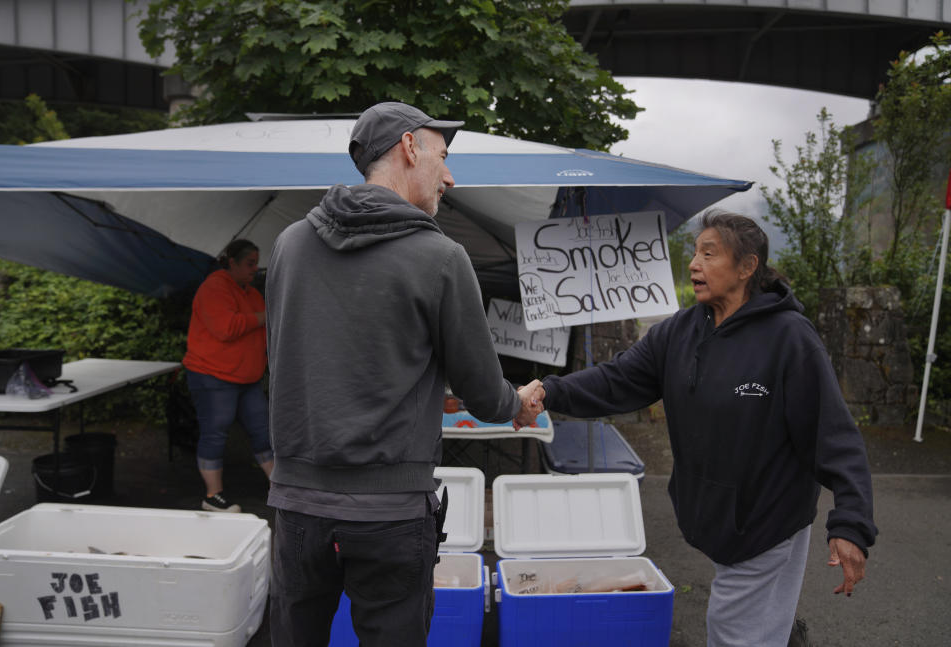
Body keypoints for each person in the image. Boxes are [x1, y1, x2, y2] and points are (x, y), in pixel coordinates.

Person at [264, 101, 543, 647]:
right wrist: (519, 401)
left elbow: (290, 359)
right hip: (390, 515)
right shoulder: (440, 256)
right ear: (410, 148)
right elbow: (485, 394)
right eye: (442, 155)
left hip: (296, 506)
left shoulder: (289, 244)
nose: (450, 175)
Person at [532, 211, 877, 647]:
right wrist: (548, 393)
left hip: (766, 519)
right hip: (716, 519)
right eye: (695, 253)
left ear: (747, 267)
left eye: (708, 254)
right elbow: (617, 380)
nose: (694, 263)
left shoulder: (789, 339)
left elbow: (835, 436)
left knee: (731, 633)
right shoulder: (681, 330)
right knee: (756, 628)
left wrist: (851, 524)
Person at [183, 239, 274, 513]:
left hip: (247, 379)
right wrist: (264, 317)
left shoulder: (251, 293)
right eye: (249, 263)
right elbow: (227, 327)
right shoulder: (214, 287)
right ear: (231, 262)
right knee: (215, 433)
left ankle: (280, 487)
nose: (255, 269)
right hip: (214, 376)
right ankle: (213, 496)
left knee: (264, 430)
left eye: (256, 264)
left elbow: (264, 330)